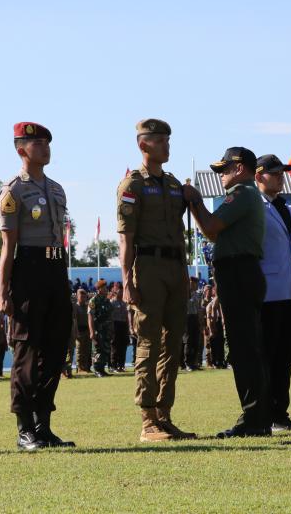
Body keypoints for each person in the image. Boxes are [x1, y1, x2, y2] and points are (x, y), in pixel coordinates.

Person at [0, 121, 75, 450]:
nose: (45, 148)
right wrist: (3, 291)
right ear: (21, 150)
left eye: (47, 143)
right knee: (27, 350)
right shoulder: (13, 191)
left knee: (56, 349)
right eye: (37, 143)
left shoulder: (56, 189)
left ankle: (44, 424)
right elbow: (7, 247)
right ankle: (25, 427)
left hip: (56, 268)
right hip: (28, 270)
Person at [184, 146, 270, 438]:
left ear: (240, 168)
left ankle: (254, 418)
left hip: (238, 273)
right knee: (247, 346)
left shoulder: (242, 194)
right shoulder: (246, 194)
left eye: (225, 169)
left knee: (244, 348)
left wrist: (194, 200)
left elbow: (210, 227)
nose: (221, 174)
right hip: (240, 272)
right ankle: (257, 415)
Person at [116, 118, 193, 442]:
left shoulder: (175, 186)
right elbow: (126, 239)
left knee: (173, 344)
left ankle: (164, 415)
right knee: (149, 341)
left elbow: (180, 233)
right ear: (143, 144)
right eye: (159, 140)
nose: (166, 145)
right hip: (147, 266)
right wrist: (126, 281)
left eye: (167, 140)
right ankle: (148, 420)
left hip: (176, 268)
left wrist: (186, 273)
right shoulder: (132, 185)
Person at [253, 153, 291, 431]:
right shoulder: (254, 208)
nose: (280, 176)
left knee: (285, 358)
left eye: (282, 172)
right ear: (258, 176)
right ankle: (266, 413)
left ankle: (280, 413)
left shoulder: (287, 210)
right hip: (268, 292)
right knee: (269, 356)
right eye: (274, 172)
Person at [88, 279, 113, 377]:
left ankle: (102, 369)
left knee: (105, 349)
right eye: (104, 288)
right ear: (99, 289)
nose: (107, 289)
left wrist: (112, 329)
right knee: (97, 350)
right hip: (98, 329)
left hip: (106, 330)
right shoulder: (93, 300)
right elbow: (90, 316)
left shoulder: (106, 300)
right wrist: (92, 331)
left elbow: (110, 315)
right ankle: (97, 370)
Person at [109, 285, 130, 372]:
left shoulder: (125, 303)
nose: (121, 293)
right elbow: (110, 317)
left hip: (124, 325)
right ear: (115, 292)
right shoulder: (112, 303)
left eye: (122, 291)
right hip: (115, 325)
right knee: (115, 347)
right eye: (119, 291)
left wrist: (128, 328)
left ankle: (121, 365)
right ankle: (113, 366)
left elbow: (127, 317)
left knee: (123, 346)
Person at [73, 289, 92, 374]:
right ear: (77, 297)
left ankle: (87, 367)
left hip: (87, 330)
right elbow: (75, 320)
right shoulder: (76, 307)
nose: (83, 298)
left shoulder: (87, 306)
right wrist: (76, 331)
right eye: (81, 296)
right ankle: (80, 368)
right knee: (79, 350)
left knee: (87, 350)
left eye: (84, 296)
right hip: (79, 330)